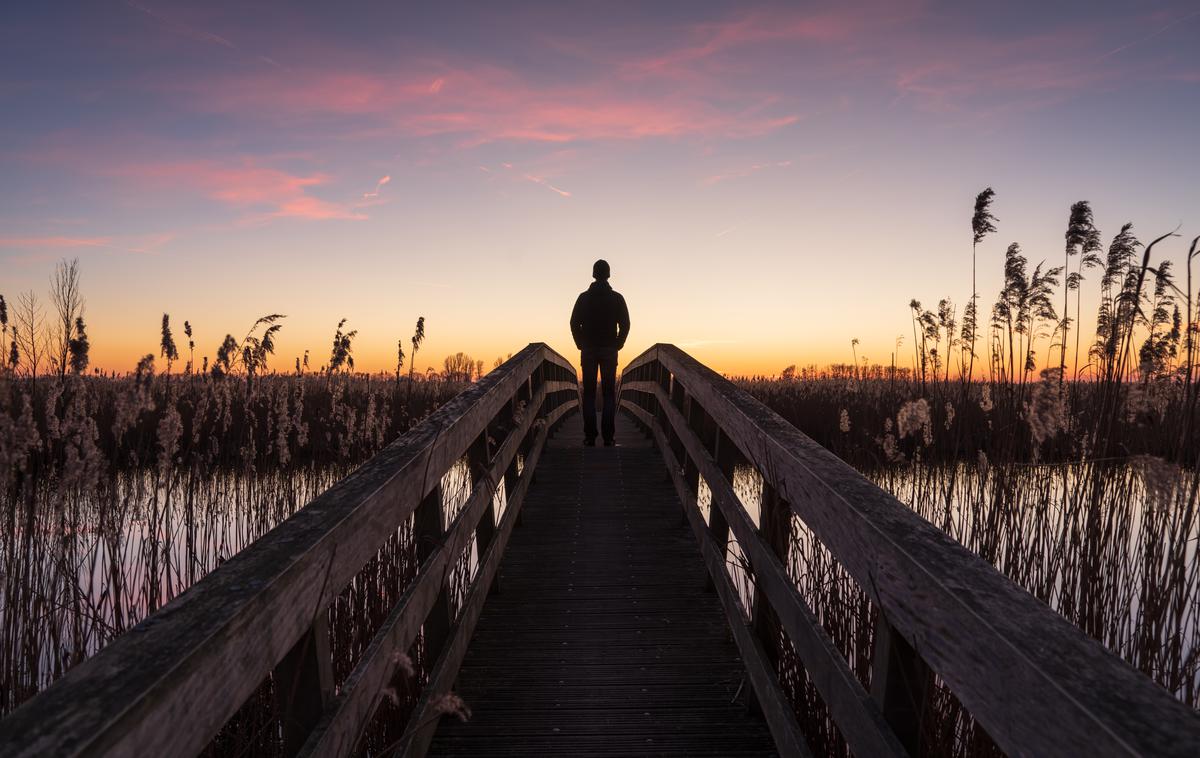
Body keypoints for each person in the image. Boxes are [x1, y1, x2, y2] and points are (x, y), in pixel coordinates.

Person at [570, 259, 630, 446]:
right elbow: (625, 325)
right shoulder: (617, 298)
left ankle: (590, 437)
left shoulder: (583, 298)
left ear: (594, 274)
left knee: (588, 394)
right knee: (608, 394)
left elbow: (574, 323)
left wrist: (581, 343)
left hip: (588, 350)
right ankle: (608, 438)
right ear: (609, 275)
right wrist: (617, 344)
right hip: (609, 350)